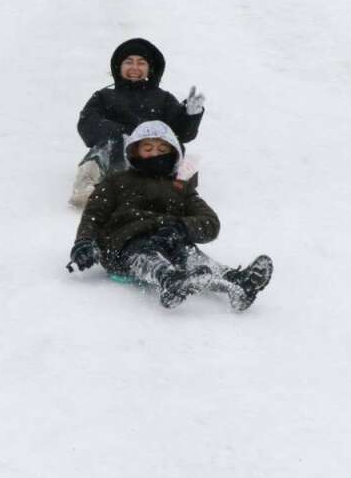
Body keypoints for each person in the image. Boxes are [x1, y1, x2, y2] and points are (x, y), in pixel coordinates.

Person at [67, 120, 273, 311]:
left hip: (169, 239)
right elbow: (94, 215)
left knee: (188, 253)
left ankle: (238, 282)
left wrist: (180, 226)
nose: (155, 153)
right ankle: (169, 280)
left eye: (162, 149)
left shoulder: (180, 187)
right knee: (143, 252)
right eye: (148, 148)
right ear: (135, 152)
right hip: (125, 244)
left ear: (173, 152)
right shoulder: (117, 181)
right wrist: (85, 243)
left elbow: (210, 222)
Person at [72, 37, 204, 207]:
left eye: (141, 63)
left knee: (183, 157)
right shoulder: (104, 96)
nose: (134, 67)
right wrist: (124, 133)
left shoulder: (163, 98)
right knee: (102, 151)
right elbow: (87, 125)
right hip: (117, 153)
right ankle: (87, 187)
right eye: (129, 62)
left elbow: (183, 134)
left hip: (153, 154)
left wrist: (190, 115)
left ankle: (174, 192)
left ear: (150, 69)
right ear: (119, 66)